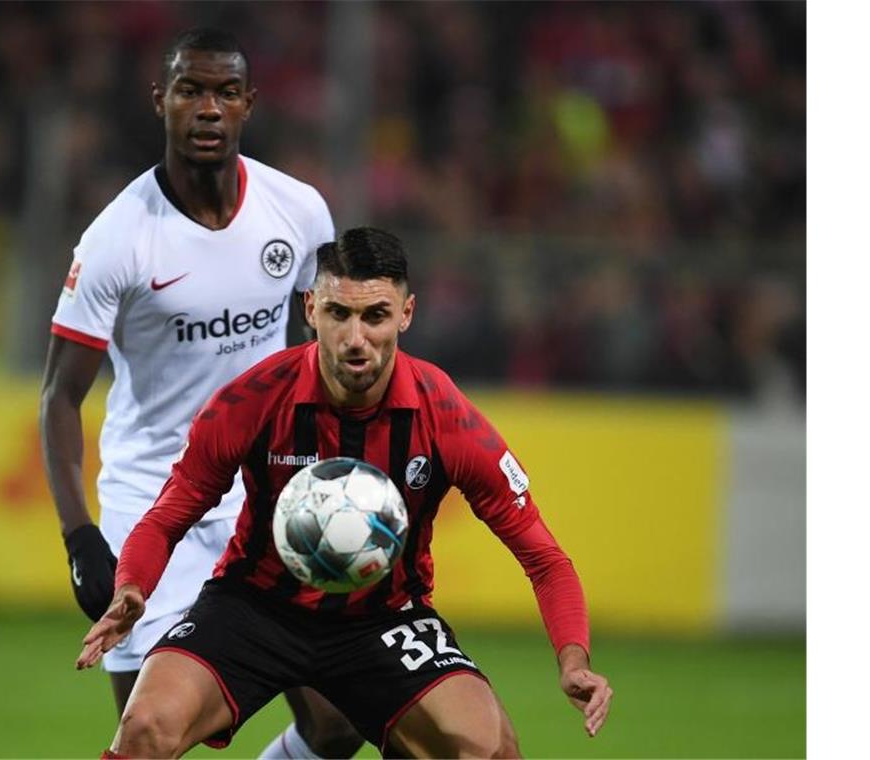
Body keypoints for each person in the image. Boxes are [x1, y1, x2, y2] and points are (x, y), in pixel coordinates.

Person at [77, 227, 615, 758]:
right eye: (339, 314)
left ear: (405, 314)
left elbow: (544, 559)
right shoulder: (251, 401)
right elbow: (168, 515)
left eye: (375, 316)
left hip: (383, 619)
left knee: (490, 750)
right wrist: (132, 586)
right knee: (145, 727)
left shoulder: (447, 419)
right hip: (256, 607)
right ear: (310, 309)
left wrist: (573, 661)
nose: (356, 339)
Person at [40, 28, 363, 759]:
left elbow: (333, 350)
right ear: (162, 101)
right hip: (155, 506)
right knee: (151, 738)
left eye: (224, 92)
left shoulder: (299, 212)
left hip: (265, 496)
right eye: (190, 91)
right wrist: (80, 534)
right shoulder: (117, 240)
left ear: (249, 103)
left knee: (338, 725)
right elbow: (60, 397)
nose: (207, 108)